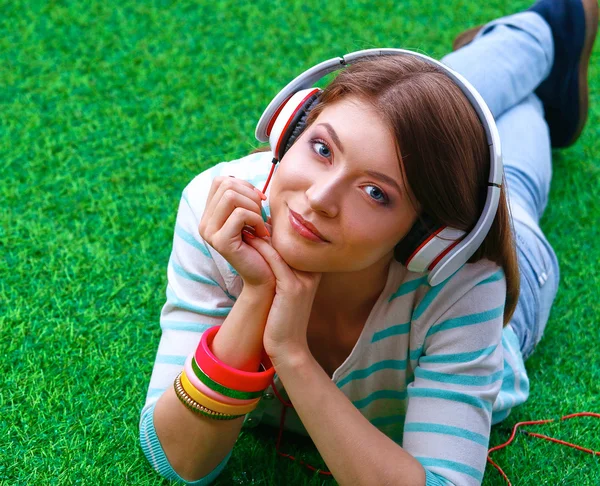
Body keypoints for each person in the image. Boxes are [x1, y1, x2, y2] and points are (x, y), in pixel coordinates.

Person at [138, 0, 598, 484]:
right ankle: (551, 29)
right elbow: (179, 461)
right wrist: (256, 297)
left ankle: (549, 44)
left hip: (513, 276)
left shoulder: (464, 283)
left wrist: (291, 354)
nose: (318, 198)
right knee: (404, 107)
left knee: (513, 182)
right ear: (289, 129)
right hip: (414, 132)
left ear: (427, 236)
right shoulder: (222, 211)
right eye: (321, 148)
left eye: (376, 193)